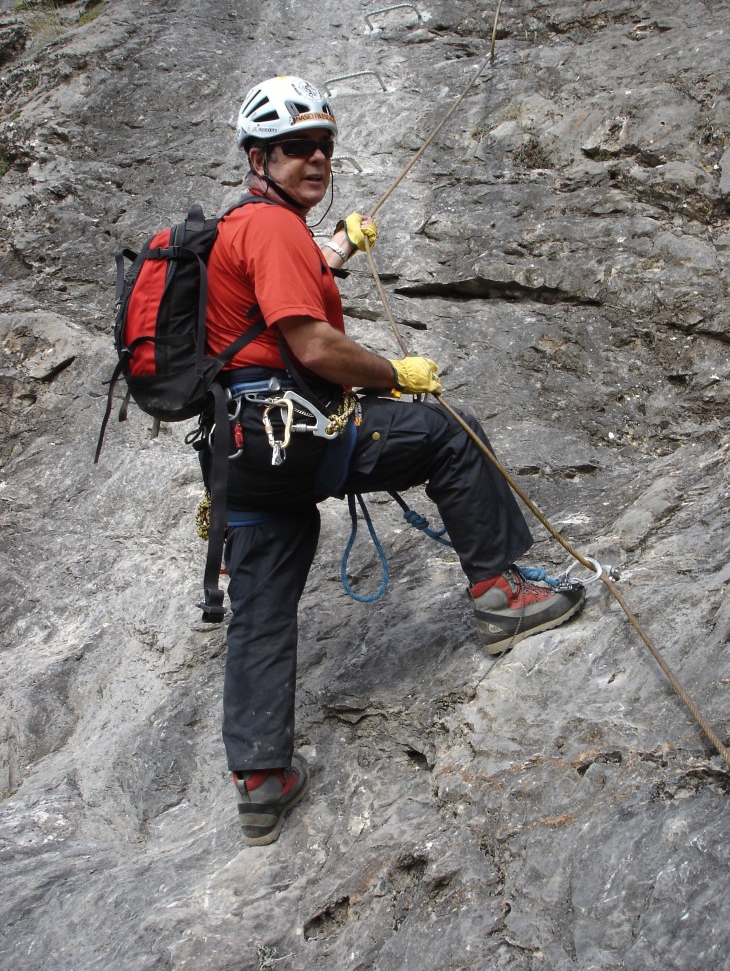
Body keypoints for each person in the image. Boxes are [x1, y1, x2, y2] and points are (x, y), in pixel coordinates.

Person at [204, 75, 586, 846]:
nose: (316, 159)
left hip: (241, 453)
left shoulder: (246, 226)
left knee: (263, 601)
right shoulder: (273, 231)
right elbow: (311, 345)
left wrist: (338, 248)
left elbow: (269, 313)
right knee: (448, 430)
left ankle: (262, 777)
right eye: (295, 148)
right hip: (302, 434)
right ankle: (501, 595)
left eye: (324, 147)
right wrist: (394, 374)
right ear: (258, 156)